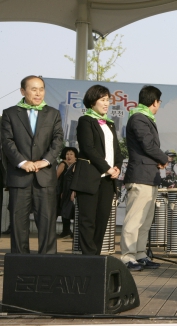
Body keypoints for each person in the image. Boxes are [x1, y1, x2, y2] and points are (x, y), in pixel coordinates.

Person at [0, 75, 63, 254]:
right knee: (19, 224)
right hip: (20, 177)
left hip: (45, 178)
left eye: (41, 89)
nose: (38, 93)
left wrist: (45, 161)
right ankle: (21, 264)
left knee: (47, 223)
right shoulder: (10, 113)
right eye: (33, 89)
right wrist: (22, 162)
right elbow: (7, 141)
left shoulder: (53, 113)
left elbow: (58, 140)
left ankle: (48, 264)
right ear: (22, 91)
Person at [120, 85, 169, 271]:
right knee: (134, 220)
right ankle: (127, 256)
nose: (159, 105)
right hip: (140, 176)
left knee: (145, 221)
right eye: (159, 102)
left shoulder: (144, 118)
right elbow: (148, 145)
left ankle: (140, 254)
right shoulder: (139, 118)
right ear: (154, 101)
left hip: (149, 176)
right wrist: (163, 159)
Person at [75, 85, 123, 255]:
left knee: (102, 220)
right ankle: (88, 258)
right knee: (88, 220)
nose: (106, 103)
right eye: (102, 100)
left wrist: (117, 167)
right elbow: (88, 149)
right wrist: (107, 168)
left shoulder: (109, 124)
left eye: (108, 100)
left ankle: (95, 257)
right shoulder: (85, 121)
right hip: (90, 178)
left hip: (107, 180)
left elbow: (117, 150)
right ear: (92, 101)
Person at [56, 146, 78, 238]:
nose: (69, 156)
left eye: (71, 154)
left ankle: (72, 231)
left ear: (75, 156)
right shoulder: (64, 164)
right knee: (65, 211)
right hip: (64, 191)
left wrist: (74, 191)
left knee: (69, 211)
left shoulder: (76, 165)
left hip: (71, 191)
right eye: (67, 154)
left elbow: (76, 179)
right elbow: (56, 177)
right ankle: (67, 230)